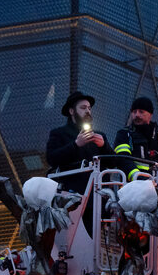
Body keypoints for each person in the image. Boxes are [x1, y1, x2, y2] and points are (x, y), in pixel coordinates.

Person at [46, 92, 113, 233]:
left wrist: (104, 146)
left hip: (99, 201)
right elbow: (51, 158)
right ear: (71, 111)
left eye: (89, 108)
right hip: (73, 202)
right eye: (83, 108)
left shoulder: (99, 136)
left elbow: (114, 162)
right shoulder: (59, 134)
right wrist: (76, 144)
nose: (88, 111)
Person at [113, 96, 158, 181]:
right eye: (134, 112)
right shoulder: (124, 135)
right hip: (133, 188)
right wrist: (138, 177)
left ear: (150, 115)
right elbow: (123, 159)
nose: (137, 115)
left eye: (141, 112)